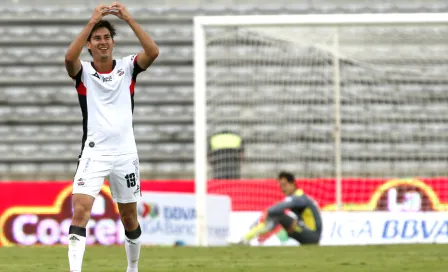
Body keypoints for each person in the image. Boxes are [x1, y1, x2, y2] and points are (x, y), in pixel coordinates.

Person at [64, 2, 159, 272]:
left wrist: (128, 17)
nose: (103, 42)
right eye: (97, 38)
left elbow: (153, 51)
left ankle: (132, 268)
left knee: (129, 217)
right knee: (81, 210)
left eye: (107, 38)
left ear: (112, 43)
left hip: (126, 154)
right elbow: (68, 59)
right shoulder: (83, 72)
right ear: (89, 45)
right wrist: (92, 20)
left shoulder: (128, 67)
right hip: (94, 153)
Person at [237, 171, 322, 245]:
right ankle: (250, 237)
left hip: (312, 236)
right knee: (276, 216)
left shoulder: (299, 197)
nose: (282, 189)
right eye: (281, 186)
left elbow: (281, 206)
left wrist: (267, 211)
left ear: (293, 184)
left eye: (285, 185)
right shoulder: (298, 197)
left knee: (278, 215)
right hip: (307, 232)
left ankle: (247, 237)